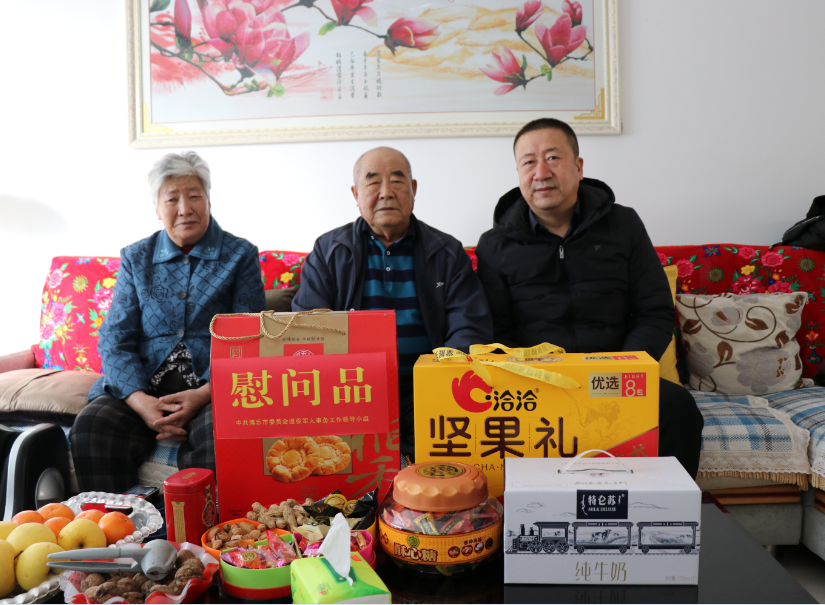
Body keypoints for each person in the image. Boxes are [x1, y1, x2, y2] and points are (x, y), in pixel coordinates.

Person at [475, 118, 703, 478]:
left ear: (579, 167)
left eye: (553, 158)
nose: (541, 172)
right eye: (529, 162)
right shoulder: (495, 244)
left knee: (679, 409)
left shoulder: (624, 224)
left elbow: (654, 310)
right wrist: (530, 377)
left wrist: (623, 367)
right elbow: (495, 329)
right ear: (518, 173)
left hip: (613, 374)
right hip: (537, 381)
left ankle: (664, 511)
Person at [72, 152, 265, 492]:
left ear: (208, 200)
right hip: (143, 386)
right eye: (172, 199)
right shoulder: (136, 257)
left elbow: (250, 337)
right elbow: (115, 338)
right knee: (93, 426)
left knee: (222, 437)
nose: (184, 208)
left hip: (212, 391)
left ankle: (200, 526)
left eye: (194, 196)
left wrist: (204, 395)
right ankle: (117, 522)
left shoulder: (240, 255)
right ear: (157, 209)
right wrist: (140, 401)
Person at [293, 146, 493, 459]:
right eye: (373, 182)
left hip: (428, 393)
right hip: (351, 396)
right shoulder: (329, 251)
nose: (386, 192)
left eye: (397, 181)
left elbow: (469, 329)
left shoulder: (446, 252)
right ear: (355, 194)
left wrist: (438, 386)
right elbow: (306, 331)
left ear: (413, 190)